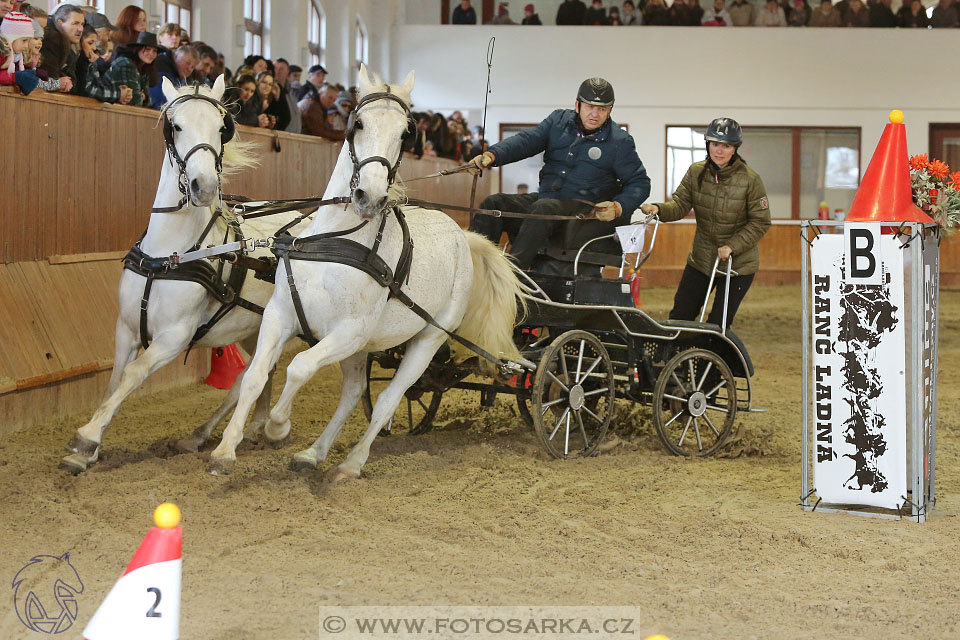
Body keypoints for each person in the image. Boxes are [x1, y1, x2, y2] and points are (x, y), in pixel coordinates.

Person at [469, 78, 650, 270]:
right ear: (577, 105)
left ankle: (512, 276)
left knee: (543, 208)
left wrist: (619, 207)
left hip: (581, 212)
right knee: (493, 204)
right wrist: (492, 154)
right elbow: (527, 141)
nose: (595, 114)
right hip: (546, 200)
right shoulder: (557, 121)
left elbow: (640, 182)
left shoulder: (619, 142)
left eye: (602, 109)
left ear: (610, 110)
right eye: (590, 106)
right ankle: (474, 270)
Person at [639, 118, 770, 328]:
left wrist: (732, 246)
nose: (719, 150)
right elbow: (680, 204)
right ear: (707, 144)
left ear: (734, 149)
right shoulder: (695, 172)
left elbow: (760, 222)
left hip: (737, 267)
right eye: (715, 144)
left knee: (718, 324)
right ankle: (679, 360)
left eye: (726, 146)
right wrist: (659, 209)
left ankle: (709, 361)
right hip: (701, 260)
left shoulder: (750, 180)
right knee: (680, 316)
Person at [76, 23, 131, 103]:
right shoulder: (81, 61)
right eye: (90, 43)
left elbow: (99, 84)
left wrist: (117, 90)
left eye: (94, 43)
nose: (94, 47)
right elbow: (88, 90)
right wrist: (118, 94)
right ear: (79, 43)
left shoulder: (91, 60)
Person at [105, 30, 159, 107]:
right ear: (138, 48)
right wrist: (143, 96)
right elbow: (133, 101)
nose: (151, 53)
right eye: (147, 49)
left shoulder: (143, 68)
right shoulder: (125, 64)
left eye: (155, 51)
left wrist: (144, 97)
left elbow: (150, 101)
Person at [38, 3, 83, 86]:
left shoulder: (67, 46)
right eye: (75, 23)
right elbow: (49, 79)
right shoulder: (50, 42)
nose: (80, 29)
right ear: (60, 23)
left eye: (82, 24)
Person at [272, 58, 300, 133]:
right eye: (275, 68)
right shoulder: (271, 91)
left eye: (281, 69)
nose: (277, 71)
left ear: (287, 71)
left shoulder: (291, 91)